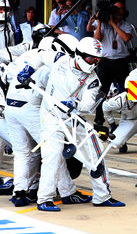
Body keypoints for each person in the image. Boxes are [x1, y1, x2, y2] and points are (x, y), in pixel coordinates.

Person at [17, 37, 125, 210]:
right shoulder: (60, 59)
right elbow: (39, 56)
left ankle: (102, 196)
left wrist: (75, 105)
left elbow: (88, 104)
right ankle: (44, 199)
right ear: (79, 55)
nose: (94, 63)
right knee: (52, 155)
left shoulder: (93, 80)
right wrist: (28, 69)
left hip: (74, 117)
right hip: (51, 115)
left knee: (95, 152)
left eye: (98, 60)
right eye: (91, 59)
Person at [93, 1, 133, 126]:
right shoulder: (103, 25)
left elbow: (126, 38)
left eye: (120, 9)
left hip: (121, 61)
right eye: (115, 10)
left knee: (130, 88)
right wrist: (100, 22)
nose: (117, 12)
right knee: (101, 91)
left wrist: (113, 24)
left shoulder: (126, 25)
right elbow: (96, 40)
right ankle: (99, 119)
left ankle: (135, 115)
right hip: (105, 62)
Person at [103, 80, 137, 156]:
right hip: (128, 121)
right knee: (114, 143)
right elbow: (105, 107)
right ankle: (122, 142)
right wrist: (112, 124)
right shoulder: (120, 100)